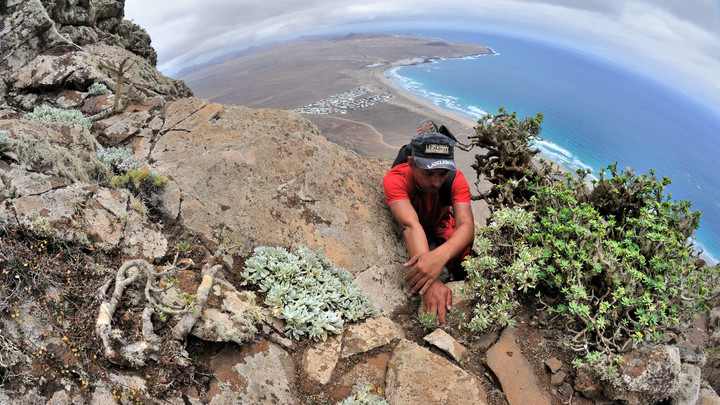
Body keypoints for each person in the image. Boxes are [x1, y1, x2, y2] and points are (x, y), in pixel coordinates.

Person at [383, 129, 474, 326]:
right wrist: (430, 281)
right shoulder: (395, 179)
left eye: (442, 174)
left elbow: (466, 226)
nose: (436, 182)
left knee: (462, 252)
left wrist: (439, 256)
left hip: (439, 226)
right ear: (411, 164)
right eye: (428, 173)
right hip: (419, 229)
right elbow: (410, 225)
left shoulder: (455, 179)